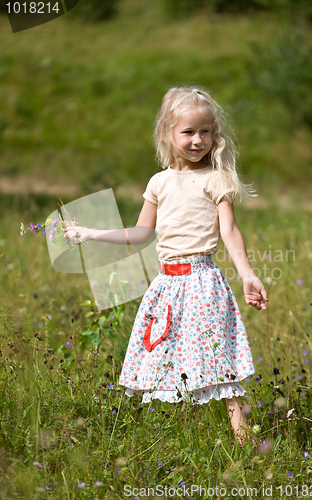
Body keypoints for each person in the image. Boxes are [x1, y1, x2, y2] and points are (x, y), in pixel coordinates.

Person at [64, 86, 268, 440]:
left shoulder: (215, 179)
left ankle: (242, 434)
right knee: (159, 355)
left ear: (214, 135)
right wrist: (91, 233)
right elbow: (142, 234)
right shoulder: (159, 182)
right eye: (188, 132)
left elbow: (231, 232)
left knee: (217, 356)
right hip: (167, 286)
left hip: (204, 283)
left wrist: (247, 274)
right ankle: (157, 437)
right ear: (167, 134)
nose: (197, 140)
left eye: (205, 131)